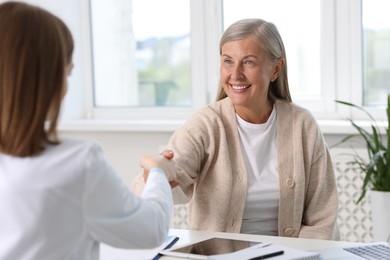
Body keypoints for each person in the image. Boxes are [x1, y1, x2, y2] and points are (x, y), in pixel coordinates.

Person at [135, 18, 340, 240]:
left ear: (275, 69)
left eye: (249, 62)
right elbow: (167, 179)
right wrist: (157, 173)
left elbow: (322, 219)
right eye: (228, 61)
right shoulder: (206, 124)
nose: (235, 74)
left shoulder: (303, 126)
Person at [0, 2, 176, 259]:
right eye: (67, 74)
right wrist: (159, 172)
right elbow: (152, 229)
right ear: (47, 80)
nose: (66, 89)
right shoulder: (77, 163)